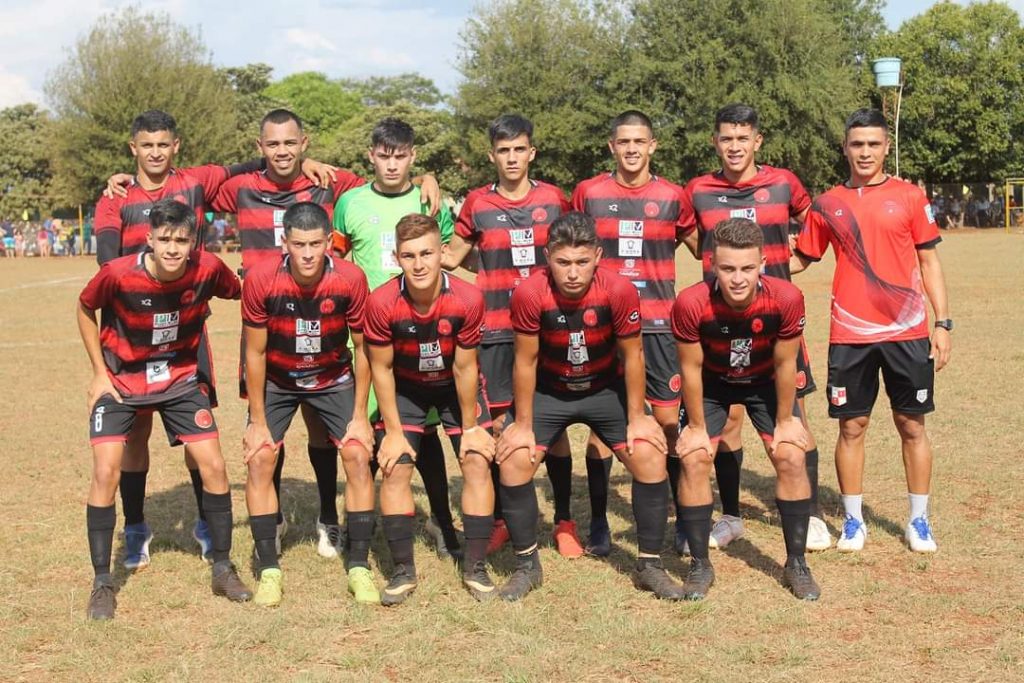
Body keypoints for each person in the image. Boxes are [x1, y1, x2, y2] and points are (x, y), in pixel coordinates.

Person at [96, 109, 333, 568]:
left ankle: (207, 523)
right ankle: (137, 526)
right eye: (146, 146)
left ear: (176, 146)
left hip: (187, 335)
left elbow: (256, 164)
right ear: (133, 148)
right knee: (136, 435)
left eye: (163, 145)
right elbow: (107, 263)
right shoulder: (116, 197)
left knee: (196, 436)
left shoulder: (197, 181)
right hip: (132, 336)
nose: (155, 153)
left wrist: (307, 164)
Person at [212, 108, 440, 559]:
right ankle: (274, 519)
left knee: (327, 431)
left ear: (305, 143)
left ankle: (329, 517)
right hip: (269, 324)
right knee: (266, 435)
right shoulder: (241, 186)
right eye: (272, 144)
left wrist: (427, 177)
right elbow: (189, 185)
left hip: (328, 322)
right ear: (260, 147)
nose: (282, 151)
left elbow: (387, 179)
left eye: (290, 143)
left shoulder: (329, 184)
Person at [77, 199, 250, 620]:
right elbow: (84, 307)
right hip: (122, 380)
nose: (173, 248)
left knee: (215, 465)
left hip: (180, 379)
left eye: (181, 240)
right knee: (106, 470)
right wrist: (99, 373)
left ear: (193, 242)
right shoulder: (117, 274)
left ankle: (223, 568)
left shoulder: (207, 268)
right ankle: (103, 583)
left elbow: (241, 290)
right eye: (165, 239)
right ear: (149, 239)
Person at [495, 211, 680, 602]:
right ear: (548, 257)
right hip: (549, 391)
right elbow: (525, 360)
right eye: (563, 262)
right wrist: (523, 424)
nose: (573, 272)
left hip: (604, 389)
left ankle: (649, 565)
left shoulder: (619, 290)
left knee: (649, 456)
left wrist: (637, 418)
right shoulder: (530, 293)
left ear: (598, 255)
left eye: (582, 261)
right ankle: (527, 567)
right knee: (513, 459)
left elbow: (633, 355)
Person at [792, 108, 951, 553]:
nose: (865, 152)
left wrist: (943, 322)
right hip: (850, 334)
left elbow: (929, 262)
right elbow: (803, 257)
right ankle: (853, 521)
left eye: (873, 144)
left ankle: (919, 521)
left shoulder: (910, 197)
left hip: (907, 331)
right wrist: (751, 261)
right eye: (857, 144)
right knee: (852, 427)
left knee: (912, 424)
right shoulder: (827, 204)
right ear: (845, 147)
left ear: (886, 147)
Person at [678, 103, 831, 553]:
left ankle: (812, 514)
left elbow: (815, 219)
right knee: (728, 422)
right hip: (720, 322)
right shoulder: (698, 190)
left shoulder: (783, 183)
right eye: (726, 138)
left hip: (775, 321)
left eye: (742, 138)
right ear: (715, 142)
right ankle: (730, 517)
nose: (734, 146)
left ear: (757, 141)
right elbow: (694, 240)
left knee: (795, 417)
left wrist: (801, 259)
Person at [442, 114, 579, 556]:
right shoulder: (477, 203)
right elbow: (453, 256)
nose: (512, 158)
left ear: (531, 152)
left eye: (519, 149)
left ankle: (564, 522)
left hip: (549, 328)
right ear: (492, 156)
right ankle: (503, 520)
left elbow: (573, 251)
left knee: (553, 426)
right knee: (501, 425)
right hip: (497, 332)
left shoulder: (554, 199)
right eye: (504, 151)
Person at [333, 118, 460, 559]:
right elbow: (337, 262)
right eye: (384, 156)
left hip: (423, 336)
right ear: (371, 155)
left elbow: (449, 254)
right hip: (368, 338)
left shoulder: (429, 199)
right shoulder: (349, 203)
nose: (392, 164)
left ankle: (443, 523)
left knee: (425, 432)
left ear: (412, 156)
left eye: (401, 156)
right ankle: (359, 523)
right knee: (367, 430)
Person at [674, 217, 820, 601]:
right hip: (712, 385)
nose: (737, 279)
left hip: (764, 382)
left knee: (791, 455)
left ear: (762, 265)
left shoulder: (786, 298)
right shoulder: (690, 303)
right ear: (712, 265)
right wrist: (696, 428)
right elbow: (690, 369)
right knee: (693, 458)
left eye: (746, 268)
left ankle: (797, 563)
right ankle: (700, 565)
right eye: (727, 269)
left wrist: (786, 420)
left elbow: (786, 363)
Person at [241, 203, 375, 607]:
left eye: (316, 244)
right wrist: (257, 421)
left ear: (329, 242)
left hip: (332, 377)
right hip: (279, 379)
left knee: (357, 454)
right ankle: (269, 569)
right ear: (285, 242)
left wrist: (360, 416)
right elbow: (255, 353)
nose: (307, 254)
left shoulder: (350, 278)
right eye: (298, 245)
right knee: (260, 457)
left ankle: (359, 566)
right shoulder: (261, 279)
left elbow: (365, 349)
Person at [569, 110, 687, 556]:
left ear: (652, 145)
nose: (632, 149)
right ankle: (599, 521)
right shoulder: (589, 193)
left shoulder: (673, 196)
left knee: (668, 422)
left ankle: (679, 517)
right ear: (612, 146)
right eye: (624, 142)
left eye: (640, 141)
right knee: (604, 426)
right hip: (603, 327)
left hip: (659, 325)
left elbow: (699, 244)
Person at [364, 213, 497, 604]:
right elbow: (381, 369)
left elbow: (465, 367)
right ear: (396, 258)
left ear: (442, 253)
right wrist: (392, 433)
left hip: (455, 389)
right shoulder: (381, 302)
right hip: (407, 389)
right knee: (395, 467)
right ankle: (403, 571)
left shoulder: (468, 298)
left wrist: (470, 428)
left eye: (426, 253)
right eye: (409, 256)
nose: (419, 264)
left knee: (476, 461)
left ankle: (475, 567)